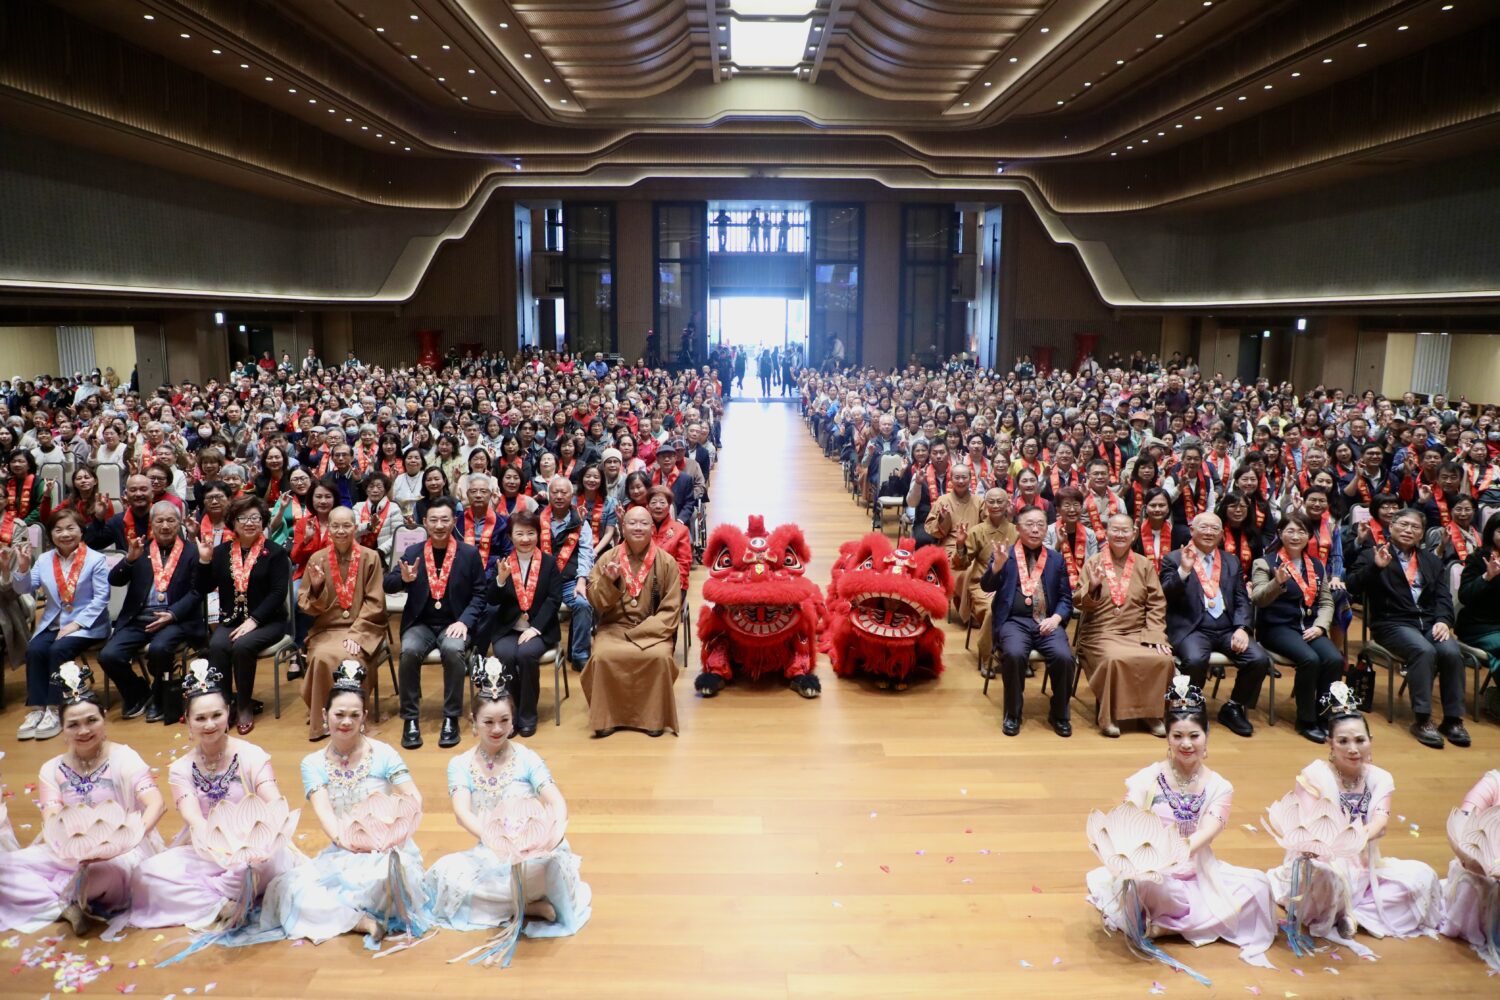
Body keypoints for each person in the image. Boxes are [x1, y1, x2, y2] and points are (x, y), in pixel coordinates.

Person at [1084, 680, 1277, 968]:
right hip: (1155, 867)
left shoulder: (1219, 786)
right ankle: (1175, 922)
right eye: (1178, 736)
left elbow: (1209, 830)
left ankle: (1167, 927)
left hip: (1197, 868)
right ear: (1168, 739)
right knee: (1148, 885)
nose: (1186, 744)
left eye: (1194, 736)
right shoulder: (1147, 778)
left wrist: (1178, 852)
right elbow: (1126, 817)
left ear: (1206, 736)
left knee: (1260, 887)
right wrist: (1148, 856)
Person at [257, 662, 429, 944]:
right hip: (344, 848)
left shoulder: (384, 754)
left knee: (384, 881)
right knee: (292, 892)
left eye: (354, 715)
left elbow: (413, 797)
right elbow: (325, 813)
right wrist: (350, 843)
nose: (346, 722)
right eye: (339, 714)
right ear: (325, 715)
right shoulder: (312, 763)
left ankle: (353, 915)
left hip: (385, 846)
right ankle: (362, 922)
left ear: (364, 717)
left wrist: (393, 832)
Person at [424, 658, 591, 936]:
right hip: (491, 851)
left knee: (547, 869)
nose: (497, 729)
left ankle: (518, 900)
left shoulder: (527, 757)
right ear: (474, 723)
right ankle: (524, 905)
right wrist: (497, 842)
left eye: (504, 721)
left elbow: (555, 800)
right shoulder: (460, 764)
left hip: (533, 850)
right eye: (488, 722)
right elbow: (462, 813)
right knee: (444, 876)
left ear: (513, 721)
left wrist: (552, 833)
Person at [128, 662, 302, 929]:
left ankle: (216, 893)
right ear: (187, 719)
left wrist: (258, 841)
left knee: (254, 869)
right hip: (208, 849)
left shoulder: (252, 754)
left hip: (256, 850)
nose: (209, 725)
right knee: (145, 875)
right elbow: (194, 819)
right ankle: (223, 902)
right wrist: (221, 849)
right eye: (200, 718)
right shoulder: (180, 769)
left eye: (216, 715)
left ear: (228, 712)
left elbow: (272, 799)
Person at [1266, 684, 1443, 947]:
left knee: (1423, 876)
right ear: (1330, 744)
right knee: (1329, 875)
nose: (1353, 749)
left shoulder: (1380, 778)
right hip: (1320, 857)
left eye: (1360, 740)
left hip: (1364, 863)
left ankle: (1351, 911)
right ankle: (1340, 910)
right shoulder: (1314, 775)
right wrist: (1337, 847)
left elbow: (1380, 820)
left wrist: (1356, 839)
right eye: (1343, 741)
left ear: (1371, 740)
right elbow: (1306, 826)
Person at [0, 664, 165, 934]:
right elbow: (52, 819)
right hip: (71, 851)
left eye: (91, 720)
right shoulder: (51, 769)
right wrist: (71, 848)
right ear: (62, 730)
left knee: (95, 875)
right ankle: (63, 905)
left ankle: (62, 895)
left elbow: (157, 803)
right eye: (73, 725)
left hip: (123, 849)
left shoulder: (124, 757)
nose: (83, 730)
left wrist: (128, 839)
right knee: (4, 869)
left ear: (103, 718)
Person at [1346, 506, 1468, 748]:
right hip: (1392, 623)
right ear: (1391, 527)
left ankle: (1453, 720)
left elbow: (1443, 598)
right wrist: (1375, 567)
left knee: (1452, 652)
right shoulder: (1373, 554)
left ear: (1422, 534)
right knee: (1424, 651)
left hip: (1429, 623)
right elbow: (1352, 585)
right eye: (1403, 525)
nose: (1408, 530)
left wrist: (1444, 620)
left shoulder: (1431, 560)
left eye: (1415, 527)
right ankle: (1422, 719)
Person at [385, 496, 488, 750]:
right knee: (407, 651)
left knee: (453, 651)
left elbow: (480, 594)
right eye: (434, 520)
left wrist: (465, 621)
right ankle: (410, 718)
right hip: (421, 623)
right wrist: (404, 580)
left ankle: (451, 716)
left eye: (445, 519)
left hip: (455, 622)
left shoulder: (469, 553)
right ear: (424, 523)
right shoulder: (413, 552)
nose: (439, 525)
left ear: (454, 521)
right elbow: (388, 583)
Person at [1159, 512, 1271, 738]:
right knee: (1194, 660)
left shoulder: (1231, 560)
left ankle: (1233, 706)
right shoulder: (1174, 558)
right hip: (1193, 627)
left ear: (1221, 534)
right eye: (1204, 527)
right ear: (1192, 530)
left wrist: (1242, 628)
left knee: (1259, 659)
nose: (1209, 532)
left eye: (1214, 529)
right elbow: (1164, 594)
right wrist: (1184, 571)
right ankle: (1193, 707)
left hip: (1228, 628)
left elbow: (1241, 598)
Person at [97, 500, 205, 723]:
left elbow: (197, 592)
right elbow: (114, 580)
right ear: (152, 524)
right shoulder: (140, 550)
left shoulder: (192, 552)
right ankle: (138, 693)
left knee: (159, 649)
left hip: (175, 619)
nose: (165, 526)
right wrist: (128, 560)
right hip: (139, 619)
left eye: (171, 520)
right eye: (160, 521)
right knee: (108, 656)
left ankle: (159, 697)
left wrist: (173, 614)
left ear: (179, 524)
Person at [581, 505, 682, 738]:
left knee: (659, 657)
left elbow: (671, 608)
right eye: (632, 523)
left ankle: (654, 719)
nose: (638, 527)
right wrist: (609, 581)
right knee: (602, 656)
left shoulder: (666, 562)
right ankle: (605, 719)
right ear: (622, 527)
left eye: (644, 523)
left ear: (652, 528)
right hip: (614, 628)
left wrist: (642, 633)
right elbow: (595, 601)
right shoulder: (608, 558)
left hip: (653, 630)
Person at [196, 495, 291, 736]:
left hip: (269, 621)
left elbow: (278, 593)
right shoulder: (221, 552)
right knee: (217, 645)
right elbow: (203, 587)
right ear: (233, 523)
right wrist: (205, 561)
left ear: (263, 521)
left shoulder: (275, 552)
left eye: (255, 518)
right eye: (243, 518)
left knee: (242, 647)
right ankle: (225, 703)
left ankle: (245, 704)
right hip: (232, 619)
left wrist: (254, 620)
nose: (250, 523)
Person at [13, 509, 112, 741]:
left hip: (88, 625)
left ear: (81, 531)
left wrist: (77, 625)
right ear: (51, 535)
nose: (65, 534)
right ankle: (37, 709)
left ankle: (56, 708)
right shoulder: (45, 560)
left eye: (70, 528)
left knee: (58, 650)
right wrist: (23, 568)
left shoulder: (95, 559)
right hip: (53, 623)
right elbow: (23, 590)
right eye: (58, 530)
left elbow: (101, 599)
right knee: (35, 649)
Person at [978, 505, 1076, 738]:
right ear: (1018, 528)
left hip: (1047, 622)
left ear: (1046, 530)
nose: (1035, 529)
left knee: (1064, 657)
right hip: (1015, 622)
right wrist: (997, 567)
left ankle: (1060, 713)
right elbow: (986, 586)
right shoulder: (1005, 554)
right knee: (1013, 654)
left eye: (1041, 525)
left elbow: (1065, 598)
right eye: (1029, 525)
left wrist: (1056, 618)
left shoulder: (1055, 559)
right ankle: (1013, 713)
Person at [1075, 513, 1173, 738]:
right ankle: (1110, 717)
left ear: (1134, 533)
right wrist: (1092, 587)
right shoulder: (1094, 562)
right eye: (1115, 530)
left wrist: (1156, 634)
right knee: (1114, 659)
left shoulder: (1144, 564)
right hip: (1101, 632)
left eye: (1124, 530)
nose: (1120, 535)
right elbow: (1081, 604)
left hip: (1137, 631)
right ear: (1106, 533)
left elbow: (1157, 602)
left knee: (1162, 659)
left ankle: (1152, 714)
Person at [1249, 511, 1345, 743]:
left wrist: (1322, 627)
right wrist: (1276, 583)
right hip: (1277, 627)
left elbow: (1325, 602)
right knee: (1309, 660)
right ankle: (1306, 719)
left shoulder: (1316, 565)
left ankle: (1325, 715)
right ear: (1280, 533)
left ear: (1309, 536)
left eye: (1301, 531)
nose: (1295, 536)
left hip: (1310, 626)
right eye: (1290, 531)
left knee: (1334, 659)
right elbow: (1259, 599)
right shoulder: (1265, 563)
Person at [298, 507, 386, 741]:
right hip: (326, 628)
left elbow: (375, 602)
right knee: (321, 657)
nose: (340, 531)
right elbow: (305, 603)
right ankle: (323, 720)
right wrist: (317, 587)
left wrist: (357, 635)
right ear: (329, 530)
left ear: (355, 528)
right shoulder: (317, 559)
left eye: (346, 525)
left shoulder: (371, 557)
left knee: (354, 658)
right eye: (335, 526)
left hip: (363, 628)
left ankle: (356, 721)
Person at [487, 510, 564, 736]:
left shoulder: (549, 563)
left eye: (531, 533)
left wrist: (535, 628)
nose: (525, 538)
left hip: (539, 629)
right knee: (505, 655)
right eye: (519, 534)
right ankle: (511, 713)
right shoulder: (503, 563)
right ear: (510, 537)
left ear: (539, 535)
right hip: (508, 629)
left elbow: (554, 599)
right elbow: (491, 600)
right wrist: (500, 579)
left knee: (526, 655)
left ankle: (528, 715)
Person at [951, 487, 1017, 668]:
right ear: (985, 505)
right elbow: (961, 564)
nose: (995, 505)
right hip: (981, 584)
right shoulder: (976, 531)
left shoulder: (1016, 532)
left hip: (1011, 585)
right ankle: (987, 656)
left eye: (1000, 501)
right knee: (992, 609)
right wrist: (960, 544)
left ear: (1007, 504)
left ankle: (1016, 655)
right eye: (991, 502)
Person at [1440, 768, 1500, 961]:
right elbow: (1462, 821)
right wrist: (1468, 857)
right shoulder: (1494, 783)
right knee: (1471, 883)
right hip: (1481, 866)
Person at [540, 475, 595, 671]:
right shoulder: (538, 520)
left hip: (569, 581)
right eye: (555, 492)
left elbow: (587, 554)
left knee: (583, 603)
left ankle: (580, 653)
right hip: (540, 582)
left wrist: (581, 581)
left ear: (572, 496)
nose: (559, 496)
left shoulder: (580, 522)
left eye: (564, 492)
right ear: (548, 495)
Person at [1456, 517, 1500, 717]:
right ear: (1491, 533)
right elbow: (1464, 595)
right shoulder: (1478, 559)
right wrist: (1487, 578)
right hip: (1478, 626)